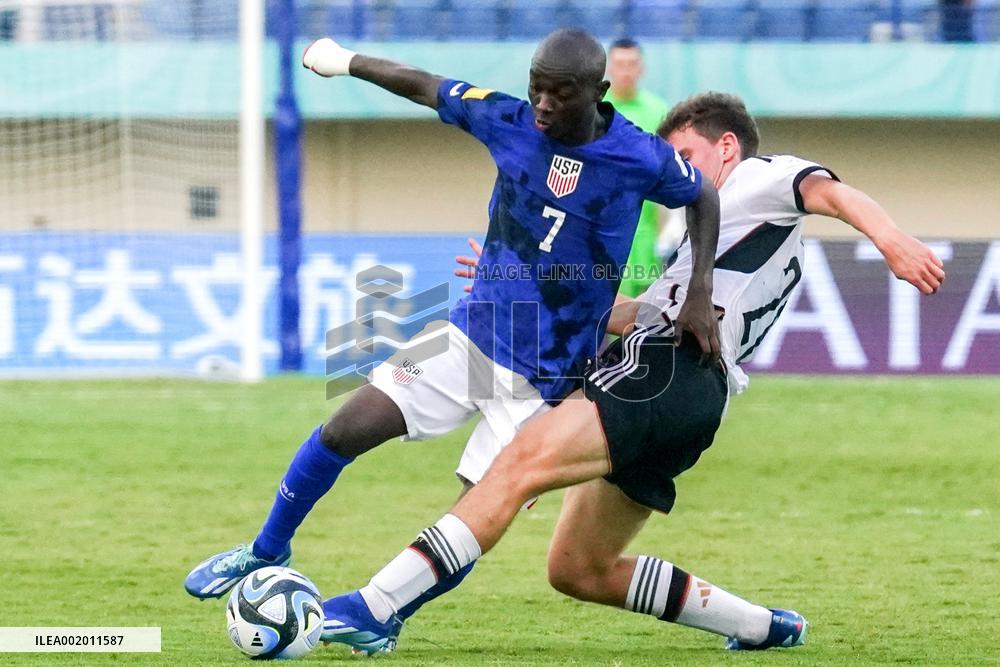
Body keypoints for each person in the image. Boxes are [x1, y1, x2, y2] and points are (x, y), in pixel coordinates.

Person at [319, 92, 946, 653]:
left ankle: (374, 607)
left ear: (727, 147)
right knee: (579, 570)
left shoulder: (754, 178)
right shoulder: (715, 244)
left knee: (514, 464)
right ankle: (762, 626)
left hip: (665, 369)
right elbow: (625, 314)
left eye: (686, 152)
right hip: (696, 399)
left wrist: (889, 238)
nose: (674, 169)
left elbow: (827, 190)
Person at [184, 27, 722, 649]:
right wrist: (344, 62)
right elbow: (423, 82)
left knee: (475, 514)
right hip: (471, 339)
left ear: (597, 93)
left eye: (559, 93)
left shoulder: (640, 155)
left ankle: (382, 615)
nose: (543, 104)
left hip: (546, 380)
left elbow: (703, 195)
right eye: (536, 89)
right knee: (345, 428)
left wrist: (700, 292)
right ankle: (263, 549)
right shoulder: (507, 118)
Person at [604, 38, 674, 297]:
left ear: (641, 68)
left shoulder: (659, 111)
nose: (625, 71)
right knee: (597, 324)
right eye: (620, 64)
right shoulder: (594, 110)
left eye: (632, 64)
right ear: (609, 68)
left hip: (645, 236)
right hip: (600, 235)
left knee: (639, 325)